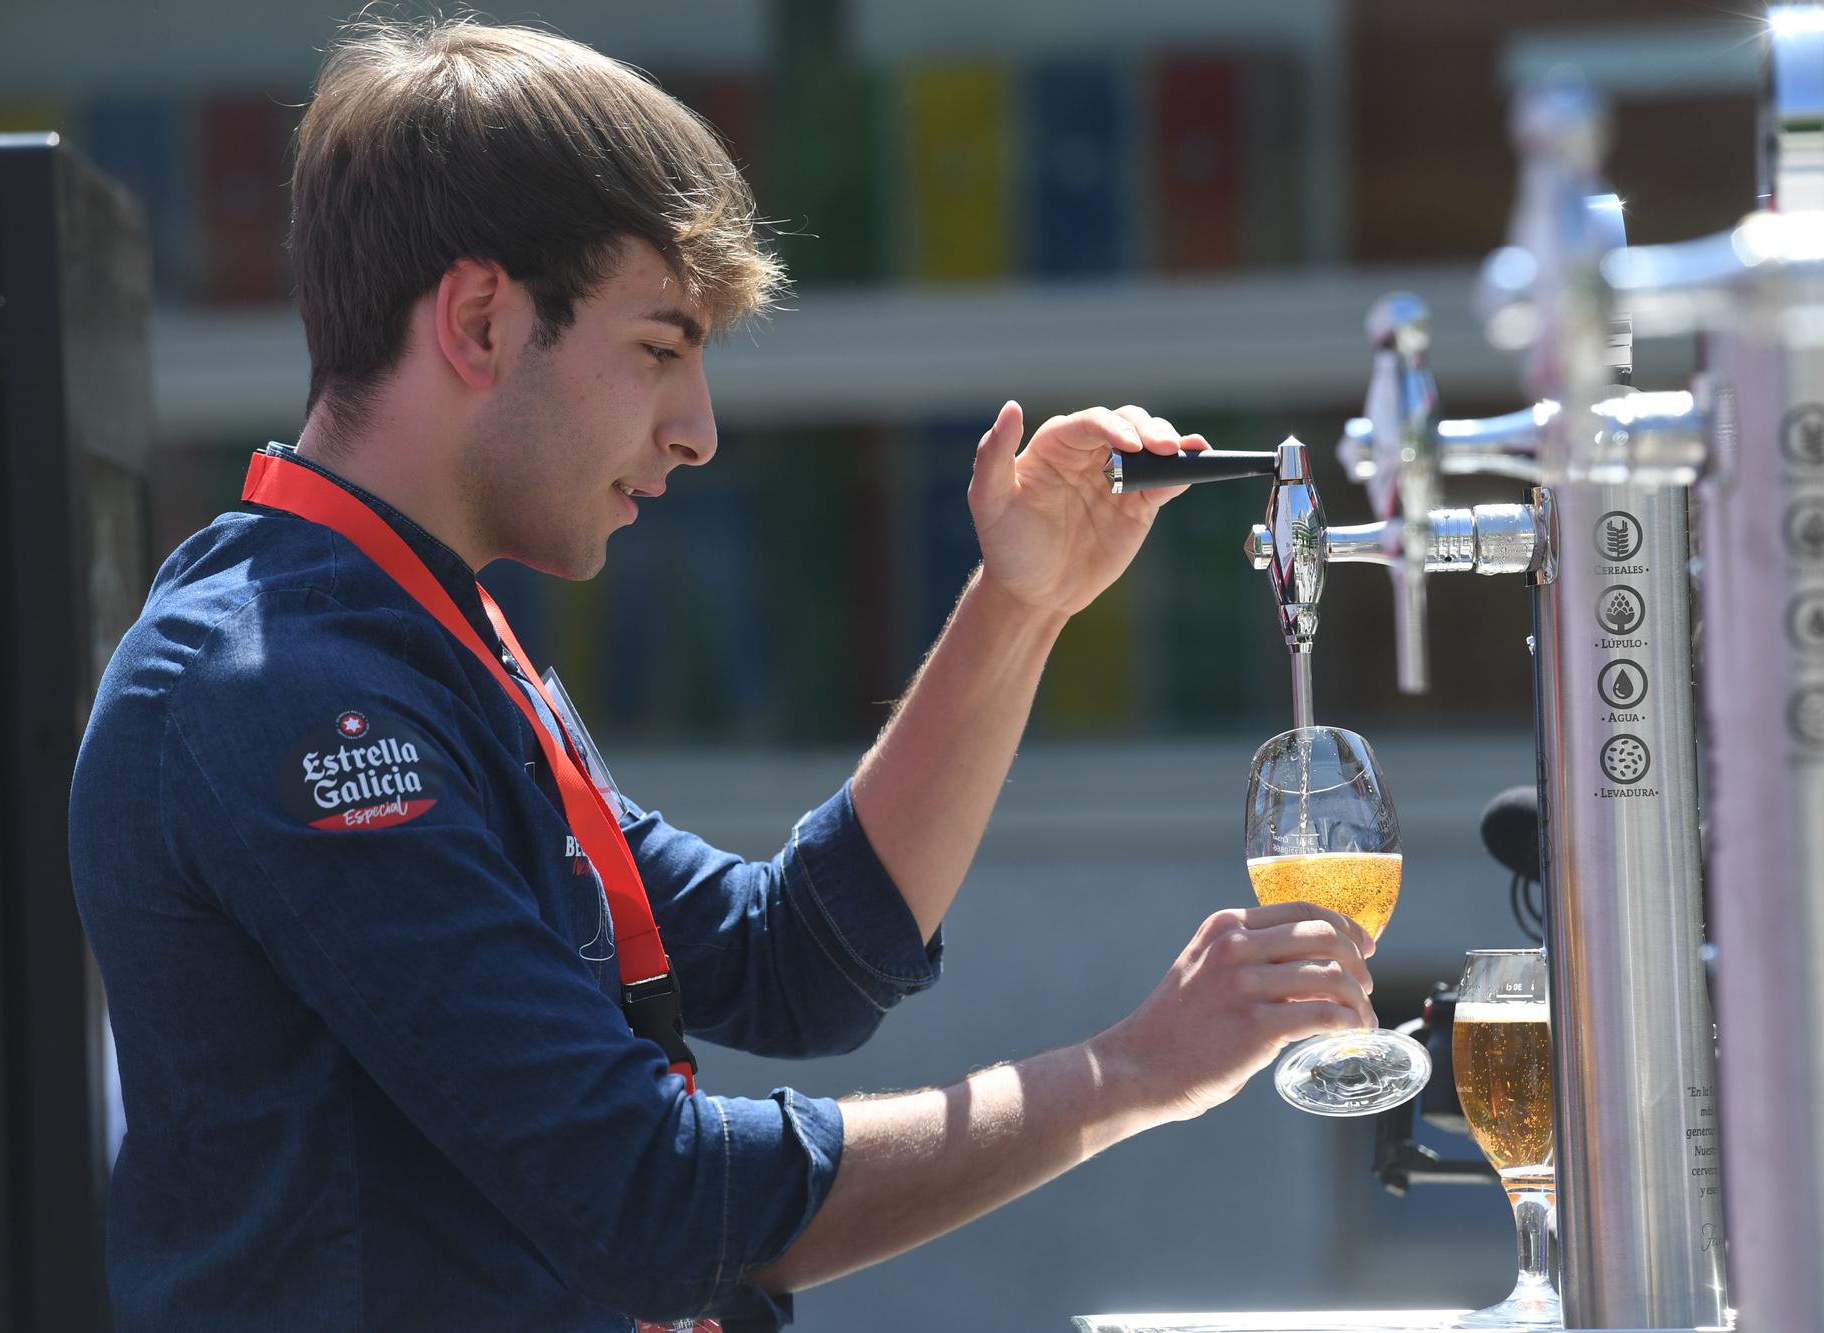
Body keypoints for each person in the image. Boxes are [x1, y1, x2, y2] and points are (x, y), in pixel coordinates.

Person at [69, 15, 1379, 1332]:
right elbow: (653, 1202)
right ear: (479, 318)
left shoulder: (423, 632)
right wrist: (1128, 1071)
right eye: (658, 347)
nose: (696, 429)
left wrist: (1019, 607)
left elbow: (792, 958)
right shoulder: (284, 691)